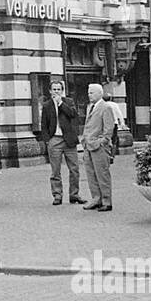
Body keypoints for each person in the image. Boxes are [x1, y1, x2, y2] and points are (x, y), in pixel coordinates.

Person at [40, 79, 81, 206]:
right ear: (50, 91)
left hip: (69, 140)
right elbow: (44, 125)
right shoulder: (46, 105)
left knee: (74, 169)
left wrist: (61, 103)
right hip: (55, 139)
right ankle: (57, 195)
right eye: (54, 89)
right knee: (55, 170)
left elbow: (73, 114)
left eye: (59, 89)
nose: (56, 92)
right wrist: (48, 141)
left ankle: (74, 195)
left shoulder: (69, 101)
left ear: (62, 91)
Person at [80, 82, 115, 212]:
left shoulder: (106, 107)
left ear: (100, 93)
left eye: (92, 92)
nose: (89, 95)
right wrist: (84, 140)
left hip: (99, 147)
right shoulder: (90, 107)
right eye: (89, 93)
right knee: (91, 174)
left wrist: (102, 142)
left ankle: (106, 201)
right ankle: (96, 198)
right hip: (88, 146)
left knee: (102, 174)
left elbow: (108, 129)